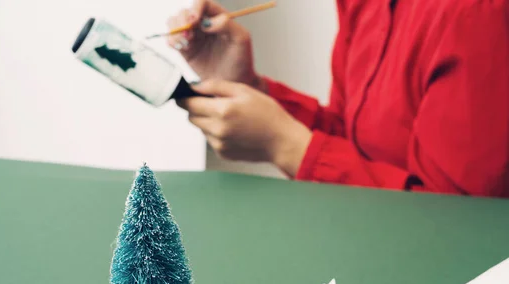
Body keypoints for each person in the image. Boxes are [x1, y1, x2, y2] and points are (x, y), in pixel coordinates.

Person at [167, 0, 509, 198]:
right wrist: (250, 88)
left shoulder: (478, 13)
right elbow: (357, 143)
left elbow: (457, 222)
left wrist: (286, 145)